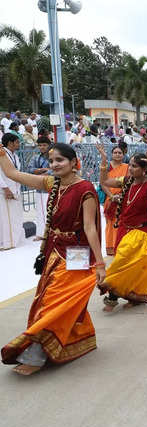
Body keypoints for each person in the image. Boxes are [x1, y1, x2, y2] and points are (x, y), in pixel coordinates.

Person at [0, 143, 105, 375]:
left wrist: (100, 263)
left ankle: (35, 356)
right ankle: (80, 338)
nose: (54, 165)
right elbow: (12, 174)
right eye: (51, 161)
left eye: (60, 160)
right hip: (53, 252)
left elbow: (90, 228)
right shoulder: (52, 184)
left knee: (55, 303)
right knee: (53, 301)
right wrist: (0, 151)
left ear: (73, 162)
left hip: (77, 254)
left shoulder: (85, 189)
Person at [97, 149, 147, 310]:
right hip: (124, 231)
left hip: (141, 234)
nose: (130, 169)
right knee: (128, 265)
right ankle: (128, 295)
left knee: (123, 264)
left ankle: (112, 296)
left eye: (134, 166)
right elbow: (105, 182)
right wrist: (104, 162)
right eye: (130, 165)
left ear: (144, 169)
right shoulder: (126, 181)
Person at [97, 144, 129, 256]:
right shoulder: (107, 165)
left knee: (122, 223)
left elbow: (128, 183)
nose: (117, 154)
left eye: (120, 153)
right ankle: (111, 248)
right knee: (110, 223)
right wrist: (111, 196)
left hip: (123, 199)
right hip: (110, 199)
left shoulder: (127, 167)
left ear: (123, 155)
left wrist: (121, 195)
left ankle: (121, 247)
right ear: (112, 154)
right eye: (115, 152)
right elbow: (103, 182)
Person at [0, 133, 24, 250]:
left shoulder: (14, 155)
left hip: (15, 188)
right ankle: (7, 243)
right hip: (5, 189)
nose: (19, 144)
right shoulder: (1, 153)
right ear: (10, 143)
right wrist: (5, 188)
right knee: (6, 217)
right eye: (17, 142)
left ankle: (14, 240)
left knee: (15, 216)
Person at [28, 136, 52, 240]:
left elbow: (55, 169)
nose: (42, 147)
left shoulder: (53, 156)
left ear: (49, 145)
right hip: (39, 188)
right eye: (40, 145)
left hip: (51, 187)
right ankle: (41, 233)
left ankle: (51, 233)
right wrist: (40, 170)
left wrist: (43, 172)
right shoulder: (35, 157)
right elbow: (29, 169)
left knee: (51, 211)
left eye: (44, 145)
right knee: (40, 211)